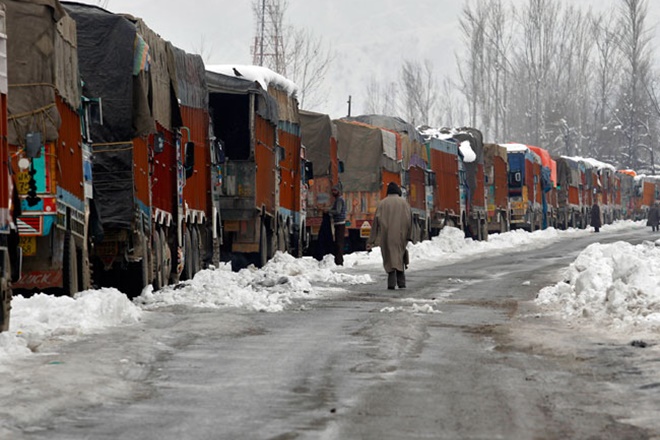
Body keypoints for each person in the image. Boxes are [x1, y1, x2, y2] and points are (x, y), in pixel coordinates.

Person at [367, 182, 412, 290]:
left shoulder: (382, 204)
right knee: (399, 257)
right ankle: (401, 282)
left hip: (386, 236)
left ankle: (391, 283)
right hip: (401, 236)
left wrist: (371, 240)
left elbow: (375, 224)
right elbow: (410, 220)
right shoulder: (404, 203)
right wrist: (409, 236)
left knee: (389, 259)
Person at [328, 185, 346, 265]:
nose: (333, 192)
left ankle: (339, 261)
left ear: (338, 191)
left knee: (339, 243)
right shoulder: (338, 199)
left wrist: (329, 211)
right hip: (339, 223)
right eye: (332, 190)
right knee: (339, 242)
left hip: (339, 223)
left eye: (334, 191)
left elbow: (338, 211)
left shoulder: (339, 200)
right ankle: (339, 260)